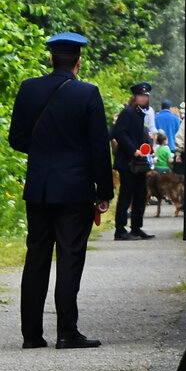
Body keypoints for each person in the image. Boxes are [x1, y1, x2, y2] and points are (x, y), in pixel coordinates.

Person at [8, 32, 114, 350]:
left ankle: (31, 335)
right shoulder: (88, 94)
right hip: (75, 190)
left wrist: (41, 152)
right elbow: (99, 148)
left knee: (36, 258)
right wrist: (104, 191)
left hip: (39, 188)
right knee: (69, 258)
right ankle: (67, 332)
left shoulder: (28, 89)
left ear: (51, 59)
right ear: (78, 62)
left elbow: (16, 139)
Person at [111, 83, 156, 241]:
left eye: (146, 96)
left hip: (138, 163)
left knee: (140, 194)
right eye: (141, 95)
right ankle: (120, 229)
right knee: (126, 194)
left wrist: (149, 147)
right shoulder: (128, 112)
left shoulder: (139, 114)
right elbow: (119, 133)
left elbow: (141, 134)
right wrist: (133, 150)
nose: (144, 98)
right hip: (127, 162)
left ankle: (136, 228)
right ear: (135, 97)